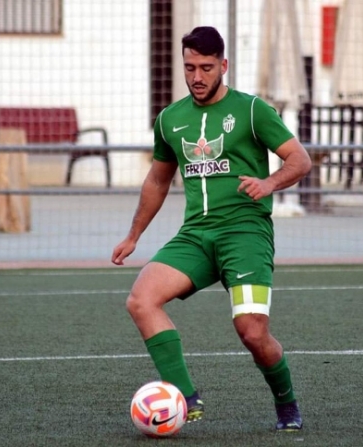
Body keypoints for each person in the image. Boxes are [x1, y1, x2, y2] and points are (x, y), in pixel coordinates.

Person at [111, 26, 311, 432]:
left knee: (252, 333)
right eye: (189, 68)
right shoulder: (170, 119)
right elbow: (157, 181)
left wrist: (269, 183)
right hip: (196, 236)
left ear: (223, 65)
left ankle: (287, 404)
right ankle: (184, 396)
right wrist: (134, 235)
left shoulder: (253, 110)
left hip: (245, 235)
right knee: (141, 300)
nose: (197, 77)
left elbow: (300, 159)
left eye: (205, 67)